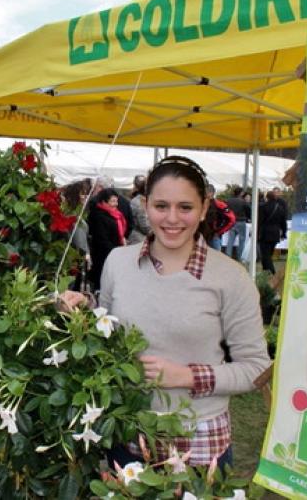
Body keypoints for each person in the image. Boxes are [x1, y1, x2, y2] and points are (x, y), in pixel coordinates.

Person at [65, 156, 270, 468]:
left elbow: (257, 369)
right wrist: (83, 310)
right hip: (127, 428)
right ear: (146, 205)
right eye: (161, 206)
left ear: (203, 208)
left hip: (197, 437)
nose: (172, 218)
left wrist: (186, 376)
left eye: (185, 207)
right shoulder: (119, 262)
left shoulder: (230, 277)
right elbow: (107, 331)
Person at [87, 188, 127, 291]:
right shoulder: (98, 216)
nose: (116, 204)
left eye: (116, 201)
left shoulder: (115, 214)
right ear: (104, 202)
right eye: (113, 201)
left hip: (114, 252)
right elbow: (102, 239)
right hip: (103, 255)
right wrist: (117, 251)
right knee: (103, 283)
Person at [257, 189, 288, 275]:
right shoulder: (280, 208)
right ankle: (266, 271)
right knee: (269, 254)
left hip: (265, 233)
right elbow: (283, 222)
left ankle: (272, 271)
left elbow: (259, 221)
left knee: (265, 254)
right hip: (275, 233)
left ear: (267, 198)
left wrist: (256, 233)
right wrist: (284, 233)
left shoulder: (263, 207)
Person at [225, 186, 250, 261]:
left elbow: (226, 210)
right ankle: (240, 256)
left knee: (230, 240)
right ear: (241, 193)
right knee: (241, 240)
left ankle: (228, 256)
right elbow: (248, 210)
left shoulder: (228, 201)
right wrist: (248, 217)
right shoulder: (243, 201)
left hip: (232, 222)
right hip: (241, 221)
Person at [127, 175, 150, 244]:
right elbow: (144, 225)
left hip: (138, 237)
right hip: (139, 239)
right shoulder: (139, 202)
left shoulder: (137, 200)